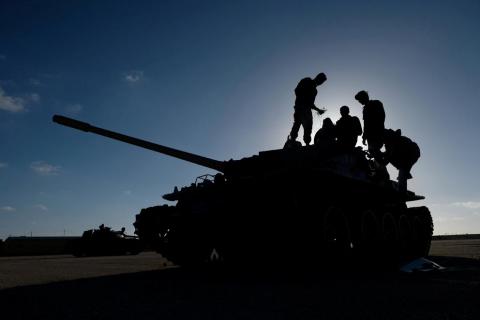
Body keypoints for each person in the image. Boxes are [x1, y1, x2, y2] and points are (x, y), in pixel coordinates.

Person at [289, 73, 327, 145]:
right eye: (321, 80)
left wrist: (318, 110)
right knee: (297, 124)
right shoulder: (307, 80)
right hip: (300, 107)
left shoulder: (315, 91)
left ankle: (307, 143)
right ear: (317, 77)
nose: (320, 83)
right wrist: (303, 99)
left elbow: (311, 104)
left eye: (322, 82)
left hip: (306, 109)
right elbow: (297, 91)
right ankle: (292, 141)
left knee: (308, 126)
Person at [382, 129, 420, 193]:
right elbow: (388, 154)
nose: (383, 143)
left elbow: (387, 157)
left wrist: (381, 160)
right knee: (403, 172)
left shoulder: (391, 142)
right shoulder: (393, 140)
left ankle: (402, 192)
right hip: (410, 153)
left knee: (402, 172)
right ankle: (404, 175)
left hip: (411, 154)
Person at [354, 90, 385, 159]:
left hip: (377, 132)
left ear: (364, 97)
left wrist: (378, 129)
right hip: (370, 135)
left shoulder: (376, 103)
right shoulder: (365, 109)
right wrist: (364, 136)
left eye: (360, 99)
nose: (359, 102)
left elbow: (381, 117)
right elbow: (366, 123)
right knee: (372, 151)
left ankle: (382, 162)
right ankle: (380, 164)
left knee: (374, 150)